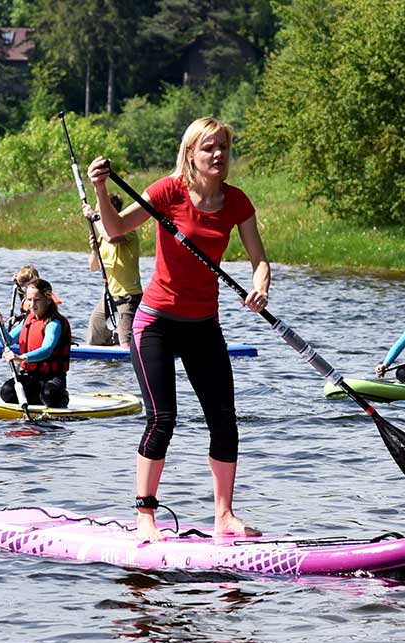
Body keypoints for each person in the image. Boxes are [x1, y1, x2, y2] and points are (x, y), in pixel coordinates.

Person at [87, 116, 271, 542]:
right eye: (208, 148)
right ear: (191, 154)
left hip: (203, 324)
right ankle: (145, 518)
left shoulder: (237, 202)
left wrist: (260, 285)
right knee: (161, 419)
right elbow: (114, 230)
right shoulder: (166, 191)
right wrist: (100, 189)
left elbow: (259, 260)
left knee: (224, 421)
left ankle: (224, 516)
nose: (218, 155)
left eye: (223, 147)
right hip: (156, 323)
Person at [0, 278, 71, 408]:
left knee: (50, 394)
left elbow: (47, 349)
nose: (32, 305)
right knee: (7, 392)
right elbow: (8, 340)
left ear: (48, 299)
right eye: (29, 300)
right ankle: (38, 399)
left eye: (37, 300)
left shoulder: (54, 323)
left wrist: (21, 358)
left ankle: (61, 397)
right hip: (31, 377)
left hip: (52, 378)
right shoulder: (29, 319)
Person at [82, 192, 143, 350]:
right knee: (94, 335)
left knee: (126, 344)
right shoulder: (102, 236)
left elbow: (111, 236)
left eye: (100, 211)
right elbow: (93, 267)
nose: (97, 215)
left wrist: (94, 217)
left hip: (128, 296)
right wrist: (94, 250)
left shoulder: (127, 229)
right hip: (110, 296)